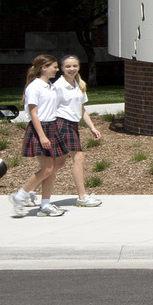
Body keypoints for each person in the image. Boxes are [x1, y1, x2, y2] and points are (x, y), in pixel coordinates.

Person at [11, 55, 65, 218]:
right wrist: (42, 136)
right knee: (48, 168)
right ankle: (20, 195)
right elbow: (33, 113)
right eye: (54, 67)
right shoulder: (34, 87)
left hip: (52, 126)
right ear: (43, 67)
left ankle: (45, 204)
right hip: (40, 128)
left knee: (52, 169)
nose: (57, 69)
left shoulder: (50, 86)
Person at [53, 55, 104, 208]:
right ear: (61, 68)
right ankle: (82, 197)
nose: (71, 69)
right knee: (79, 158)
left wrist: (92, 127)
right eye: (68, 66)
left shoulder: (79, 84)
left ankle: (29, 190)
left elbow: (81, 109)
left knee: (58, 163)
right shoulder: (59, 86)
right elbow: (50, 107)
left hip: (73, 125)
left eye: (74, 66)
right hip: (61, 124)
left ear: (79, 67)